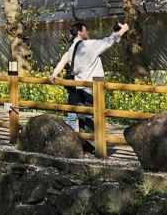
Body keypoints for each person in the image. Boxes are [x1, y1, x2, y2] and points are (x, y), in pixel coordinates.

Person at [51, 22, 129, 154]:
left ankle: (85, 143)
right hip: (92, 86)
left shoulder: (72, 48)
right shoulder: (87, 45)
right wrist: (122, 31)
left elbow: (102, 45)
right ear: (80, 32)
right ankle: (94, 146)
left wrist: (53, 75)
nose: (88, 33)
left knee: (83, 115)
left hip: (79, 86)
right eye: (86, 30)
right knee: (94, 116)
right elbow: (107, 42)